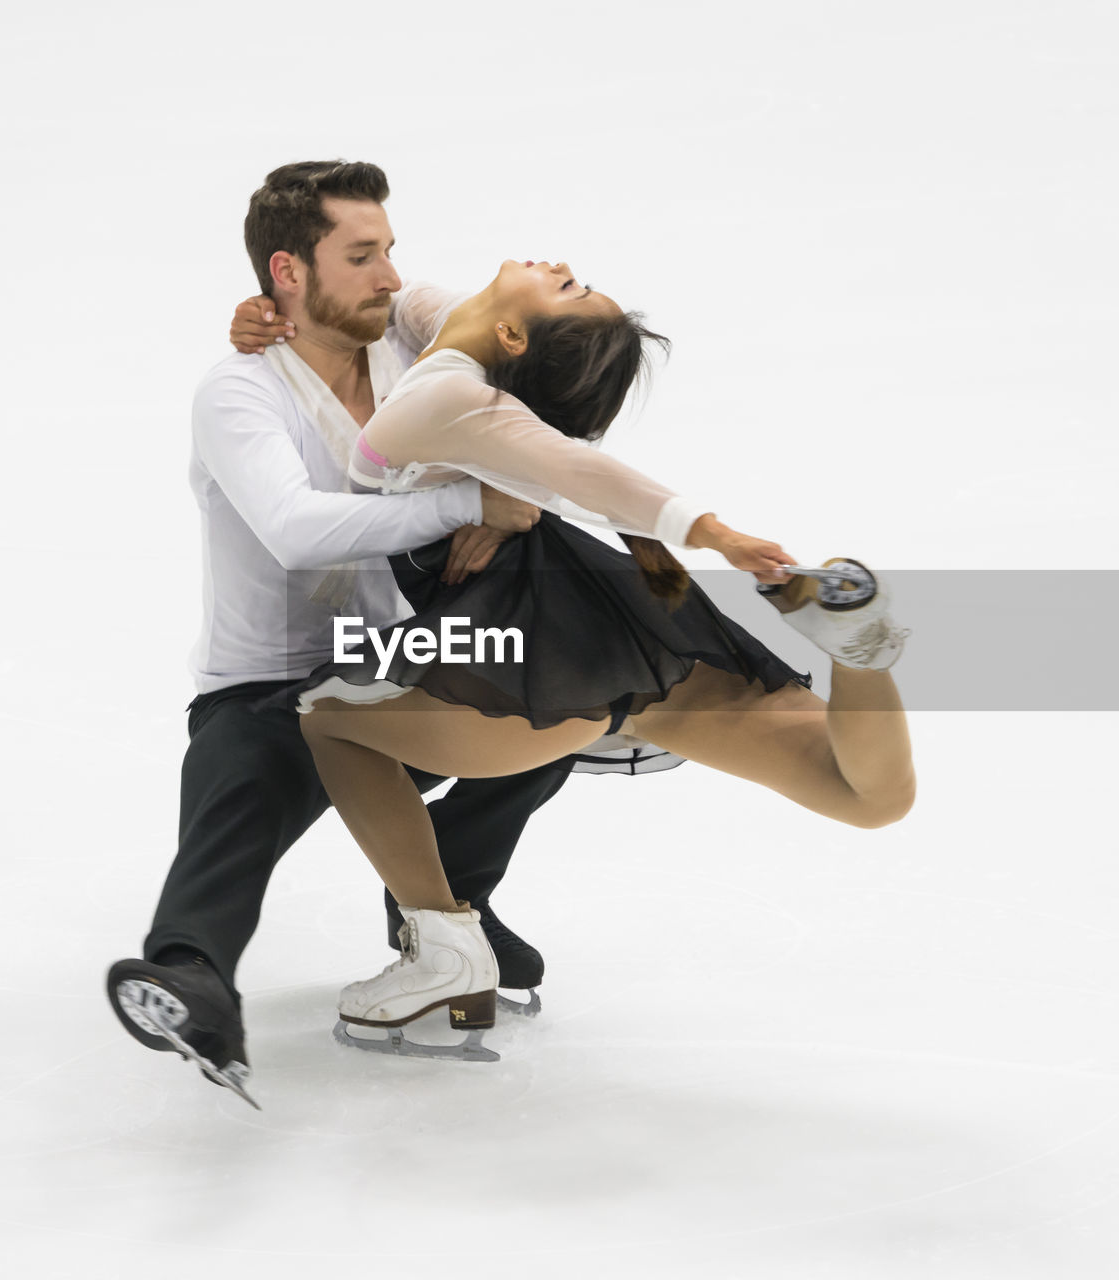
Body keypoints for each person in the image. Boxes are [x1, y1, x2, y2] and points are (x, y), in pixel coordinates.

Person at [240, 257, 916, 1060]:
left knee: (330, 726)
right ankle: (861, 653)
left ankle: (445, 952)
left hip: (539, 640)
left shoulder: (448, 393)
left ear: (513, 335)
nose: (562, 266)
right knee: (867, 797)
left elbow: (577, 467)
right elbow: (394, 300)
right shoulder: (453, 331)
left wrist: (716, 534)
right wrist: (266, 316)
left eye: (568, 288)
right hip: (637, 618)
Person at [105, 162, 576, 1108]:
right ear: (288, 271)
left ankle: (446, 912)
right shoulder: (239, 393)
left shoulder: (412, 335)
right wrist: (463, 499)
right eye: (361, 256)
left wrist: (516, 490)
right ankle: (193, 978)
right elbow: (294, 527)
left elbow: (550, 366)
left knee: (559, 699)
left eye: (390, 250)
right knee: (232, 806)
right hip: (273, 683)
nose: (391, 276)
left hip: (403, 664)